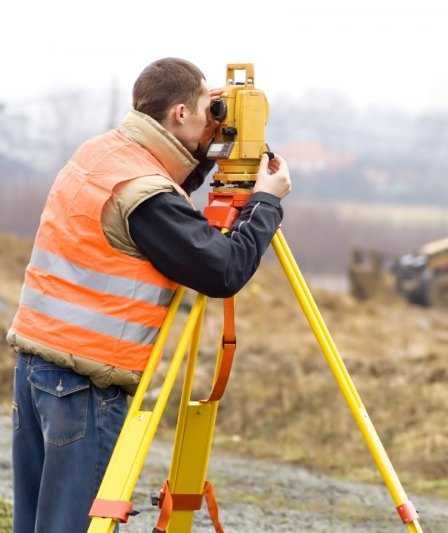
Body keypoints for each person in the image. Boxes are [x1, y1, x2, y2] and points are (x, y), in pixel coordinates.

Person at [6, 57, 291, 533]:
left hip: (38, 371)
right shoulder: (146, 194)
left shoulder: (102, 154)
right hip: (85, 385)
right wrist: (266, 202)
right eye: (208, 106)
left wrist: (206, 151)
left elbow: (163, 200)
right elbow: (223, 271)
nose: (215, 116)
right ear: (180, 113)